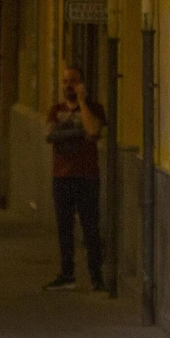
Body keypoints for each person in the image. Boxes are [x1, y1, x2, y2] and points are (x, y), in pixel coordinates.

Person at [44, 65, 107, 291]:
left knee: (90, 227)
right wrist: (78, 133)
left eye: (72, 81)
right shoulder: (56, 110)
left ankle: (96, 276)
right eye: (65, 81)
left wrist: (82, 102)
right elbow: (50, 135)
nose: (68, 85)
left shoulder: (95, 109)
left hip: (87, 176)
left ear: (82, 84)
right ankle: (67, 274)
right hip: (61, 176)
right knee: (64, 227)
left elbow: (93, 131)